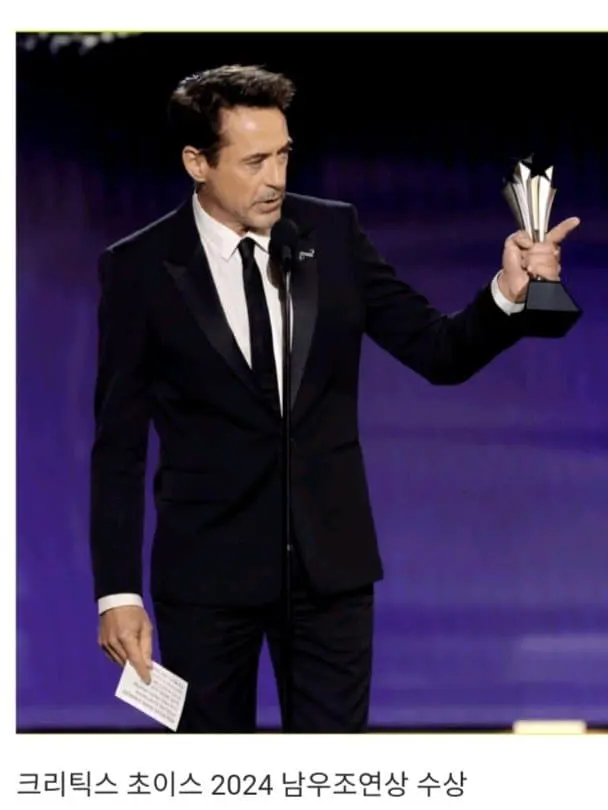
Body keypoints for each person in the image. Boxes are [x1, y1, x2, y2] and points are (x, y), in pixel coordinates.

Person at [92, 61, 580, 733]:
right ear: (196, 162)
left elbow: (437, 351)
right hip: (205, 581)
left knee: (331, 780)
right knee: (212, 782)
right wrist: (117, 592)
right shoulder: (139, 267)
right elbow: (117, 446)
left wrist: (506, 295)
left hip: (330, 574)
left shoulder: (331, 234)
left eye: (284, 155)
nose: (276, 178)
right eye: (254, 161)